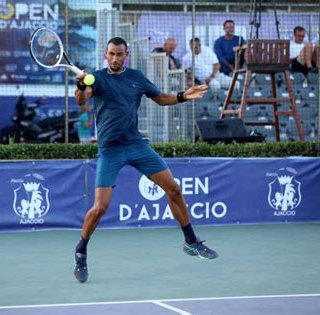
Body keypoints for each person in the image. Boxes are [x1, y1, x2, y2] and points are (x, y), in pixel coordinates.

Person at [73, 37, 218, 283]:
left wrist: (184, 95)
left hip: (136, 145)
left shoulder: (136, 77)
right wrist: (80, 84)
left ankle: (191, 242)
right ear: (105, 55)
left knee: (173, 189)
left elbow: (160, 98)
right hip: (110, 150)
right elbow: (81, 99)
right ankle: (81, 251)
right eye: (111, 54)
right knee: (100, 208)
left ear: (126, 54)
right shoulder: (96, 79)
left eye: (120, 54)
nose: (115, 59)